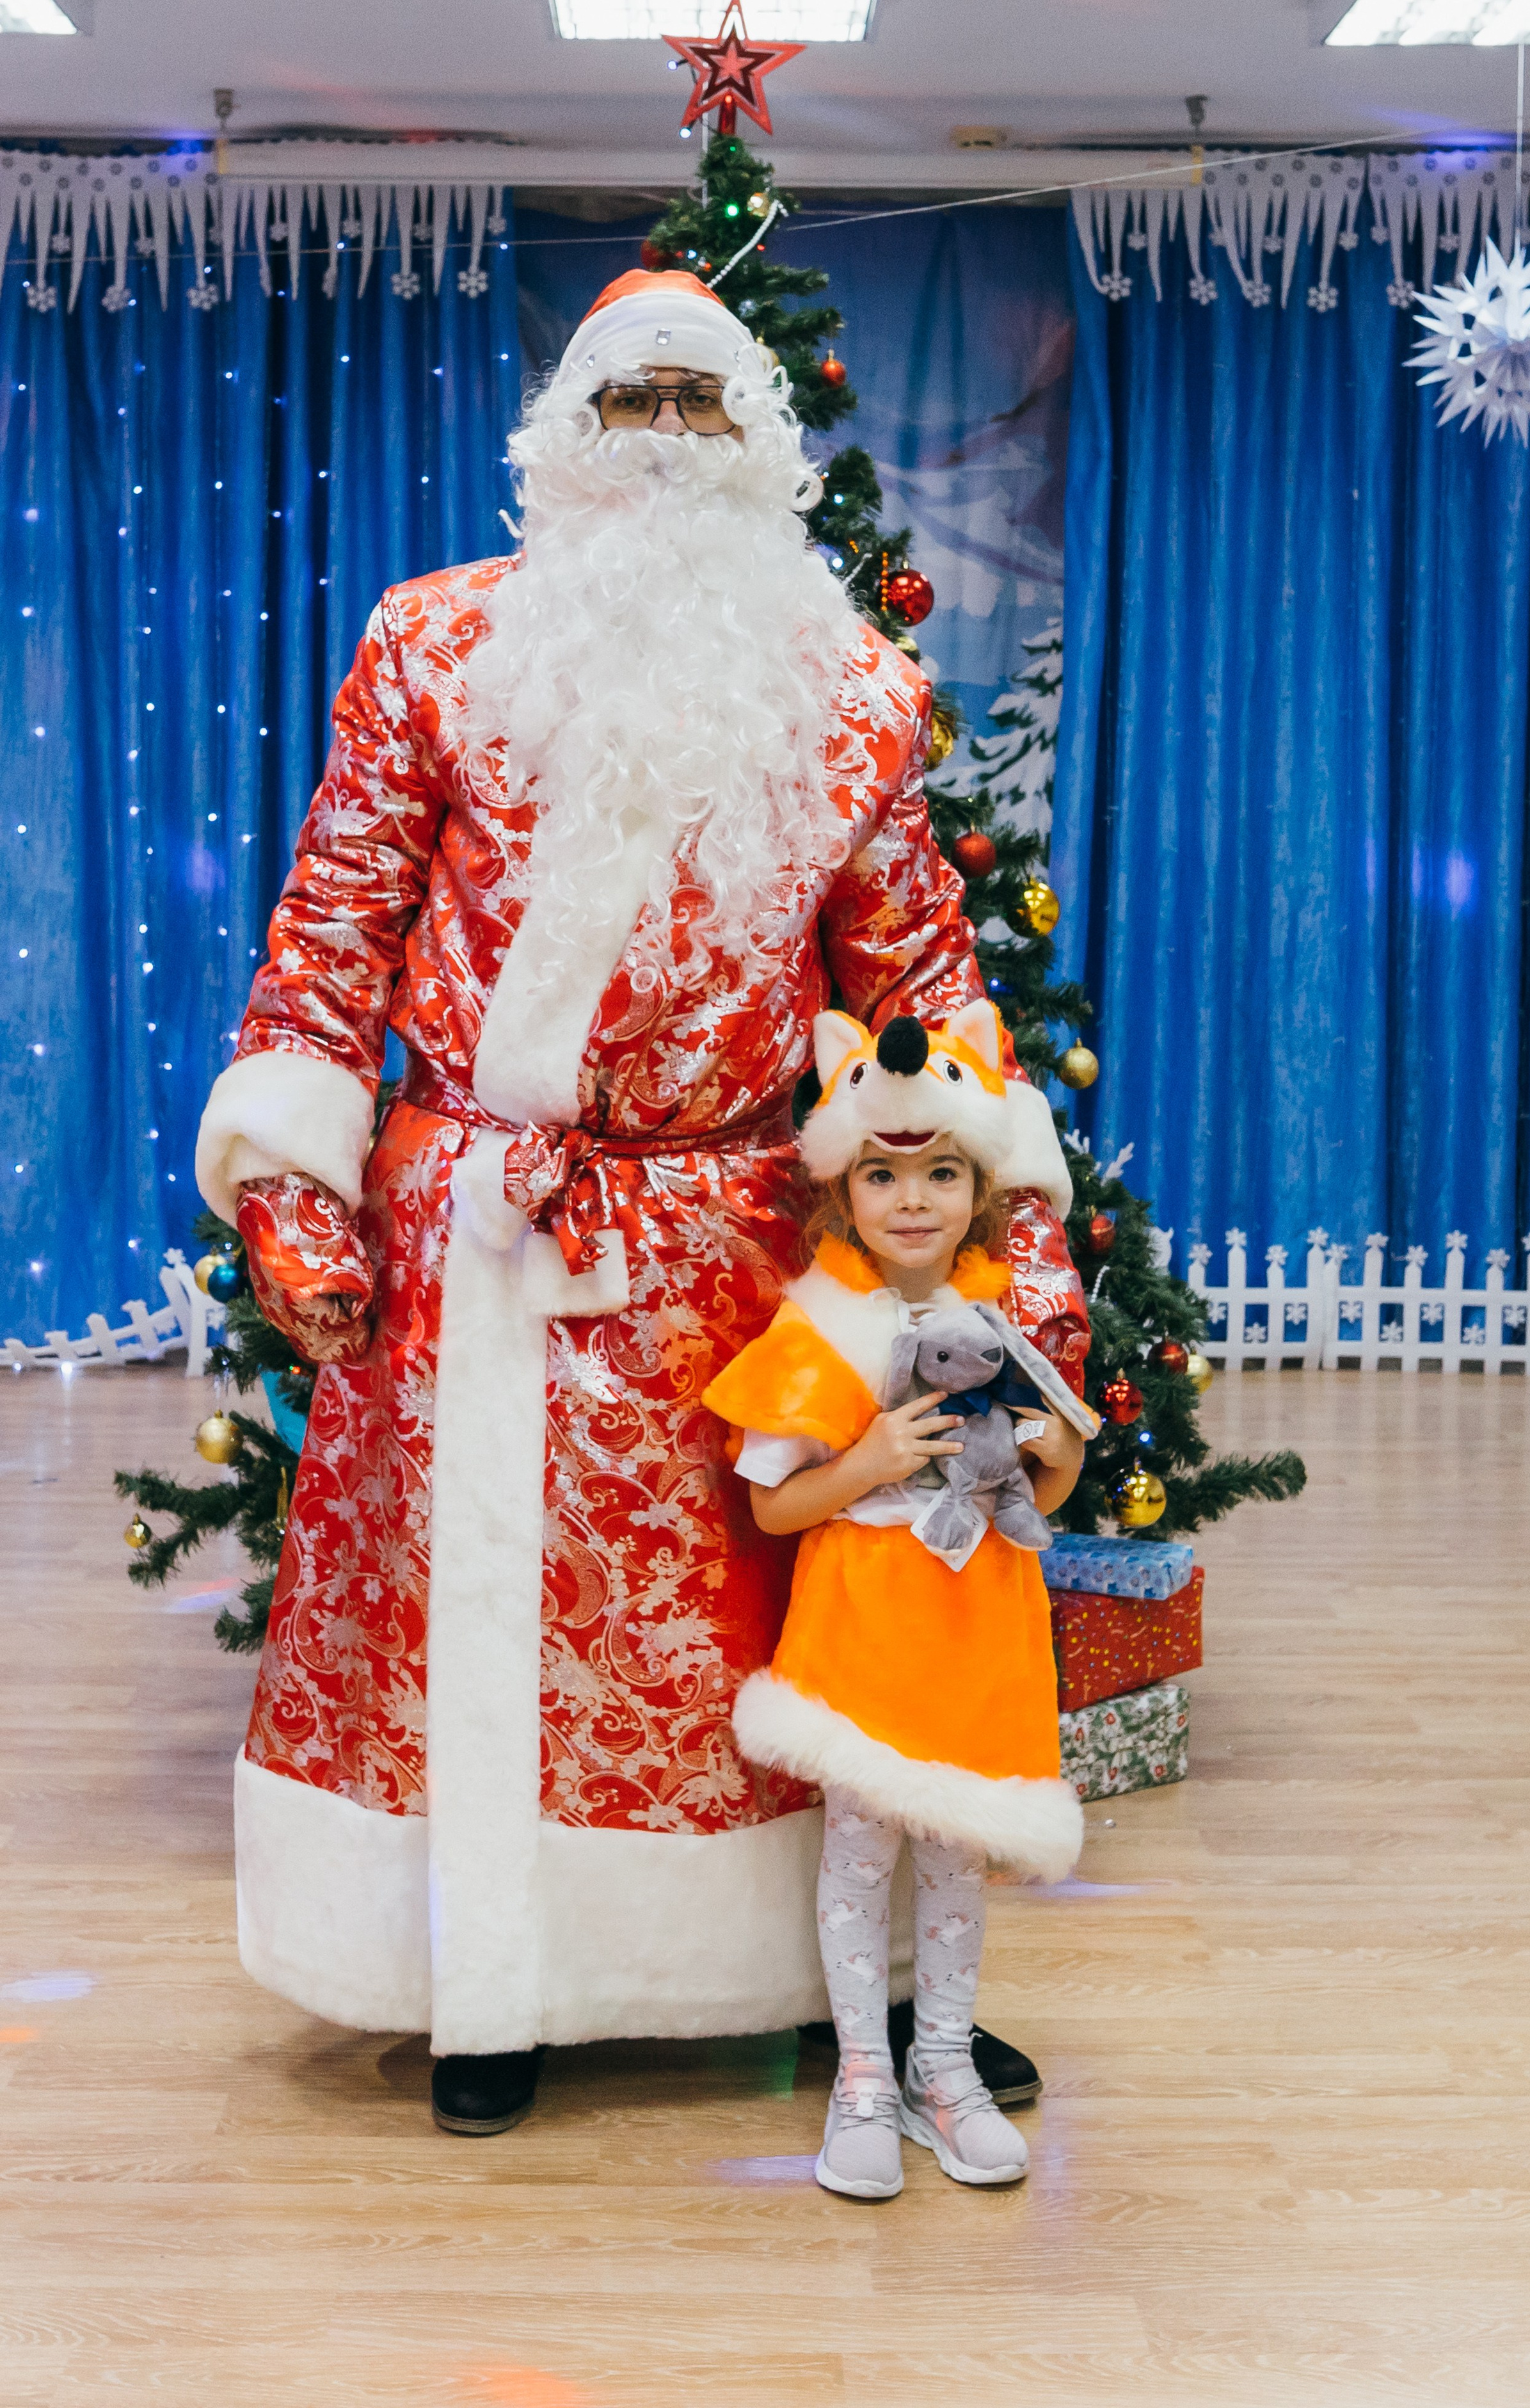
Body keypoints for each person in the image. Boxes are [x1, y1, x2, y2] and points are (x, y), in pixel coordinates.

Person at [194, 266, 1089, 2136]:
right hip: (478, 1241)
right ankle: (486, 1990)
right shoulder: (435, 644)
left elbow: (924, 993)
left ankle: (839, 1992)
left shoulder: (853, 698)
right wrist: (294, 1192)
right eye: (632, 402)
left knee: (784, 1620)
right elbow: (332, 936)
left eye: (702, 404)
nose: (668, 439)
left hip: (737, 1250)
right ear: (568, 434)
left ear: (758, 443)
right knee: (473, 1633)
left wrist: (1018, 1263)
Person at [705, 1002, 1096, 2197]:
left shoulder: (1000, 1322)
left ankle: (944, 2070)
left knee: (957, 1858)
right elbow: (773, 1508)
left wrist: (1054, 1450)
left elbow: (1048, 1490)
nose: (912, 1200)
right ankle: (864, 2078)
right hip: (865, 1625)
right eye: (882, 1174)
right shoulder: (818, 1326)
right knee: (863, 1854)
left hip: (976, 1623)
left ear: (979, 1189)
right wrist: (867, 1461)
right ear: (843, 1190)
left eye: (940, 1174)